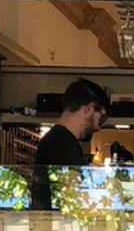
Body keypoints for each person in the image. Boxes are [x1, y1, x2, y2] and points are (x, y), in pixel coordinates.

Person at [31, 77, 111, 210]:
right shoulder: (63, 142)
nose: (99, 127)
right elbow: (72, 200)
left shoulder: (56, 138)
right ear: (90, 109)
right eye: (101, 118)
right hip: (57, 228)